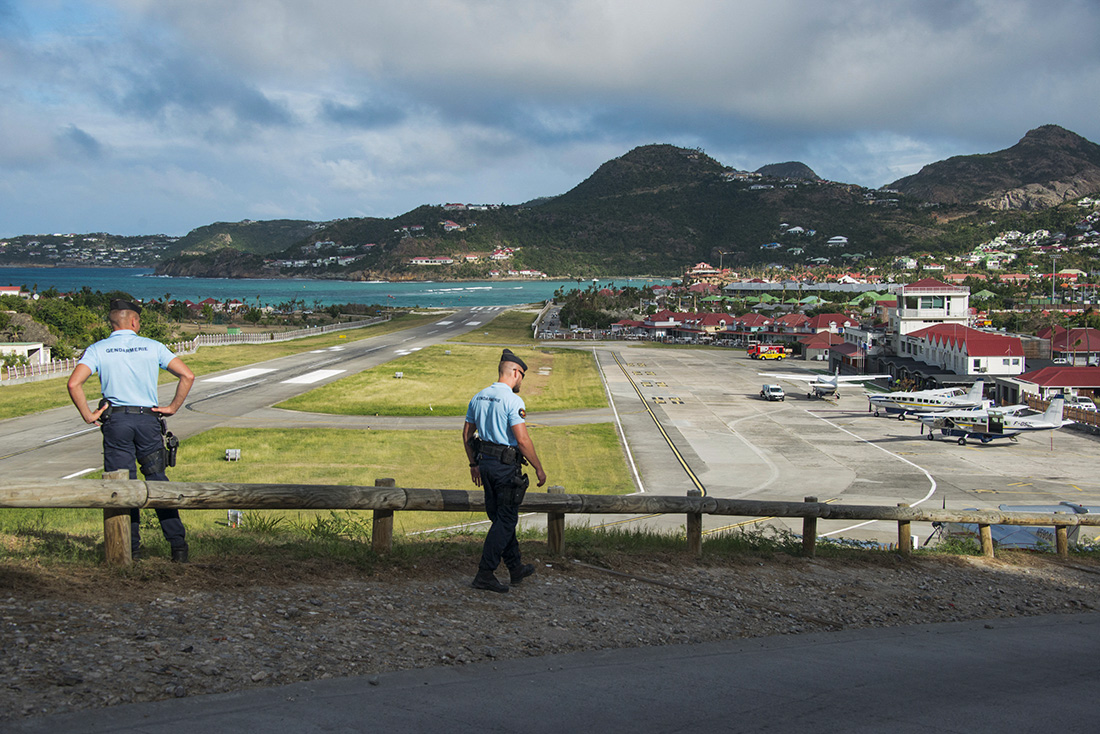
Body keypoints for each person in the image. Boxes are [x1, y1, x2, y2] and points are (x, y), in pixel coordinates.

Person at [67, 299, 195, 562]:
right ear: (134, 321)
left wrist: (88, 415)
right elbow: (188, 376)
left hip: (116, 422)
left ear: (112, 323)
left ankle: (129, 549)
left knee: (121, 485)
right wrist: (172, 407)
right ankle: (178, 546)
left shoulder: (98, 349)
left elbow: (73, 383)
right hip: (147, 420)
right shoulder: (153, 346)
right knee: (158, 481)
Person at [463, 348, 547, 592]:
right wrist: (539, 468)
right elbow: (522, 441)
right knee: (507, 520)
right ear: (515, 372)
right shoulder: (513, 400)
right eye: (522, 375)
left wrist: (473, 464)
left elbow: (467, 434)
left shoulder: (478, 397)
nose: (521, 380)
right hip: (504, 468)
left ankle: (515, 566)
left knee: (500, 519)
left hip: (485, 464)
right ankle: (485, 573)